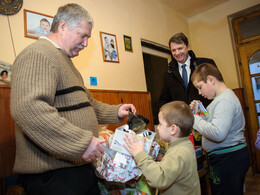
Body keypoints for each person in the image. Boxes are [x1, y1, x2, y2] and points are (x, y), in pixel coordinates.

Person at [11, 3, 136, 195]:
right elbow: (29, 108)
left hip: (77, 168)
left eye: (88, 38)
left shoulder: (66, 62)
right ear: (62, 26)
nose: (85, 43)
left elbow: (87, 104)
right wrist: (81, 142)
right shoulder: (38, 53)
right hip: (54, 176)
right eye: (82, 35)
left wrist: (115, 111)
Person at [189, 63, 250, 195]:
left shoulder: (224, 100)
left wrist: (194, 119)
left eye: (200, 87)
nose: (199, 92)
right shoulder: (219, 100)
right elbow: (213, 122)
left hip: (229, 159)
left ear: (211, 80)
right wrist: (202, 112)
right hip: (225, 158)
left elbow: (218, 133)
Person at [123, 101, 200, 195]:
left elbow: (159, 179)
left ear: (173, 129)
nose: (158, 128)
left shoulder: (177, 153)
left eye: (160, 124)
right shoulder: (185, 144)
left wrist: (139, 154)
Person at [159, 32, 216, 108]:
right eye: (173, 50)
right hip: (182, 118)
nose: (177, 53)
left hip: (207, 115)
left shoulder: (205, 64)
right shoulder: (168, 73)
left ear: (188, 47)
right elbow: (164, 99)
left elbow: (217, 89)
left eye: (180, 48)